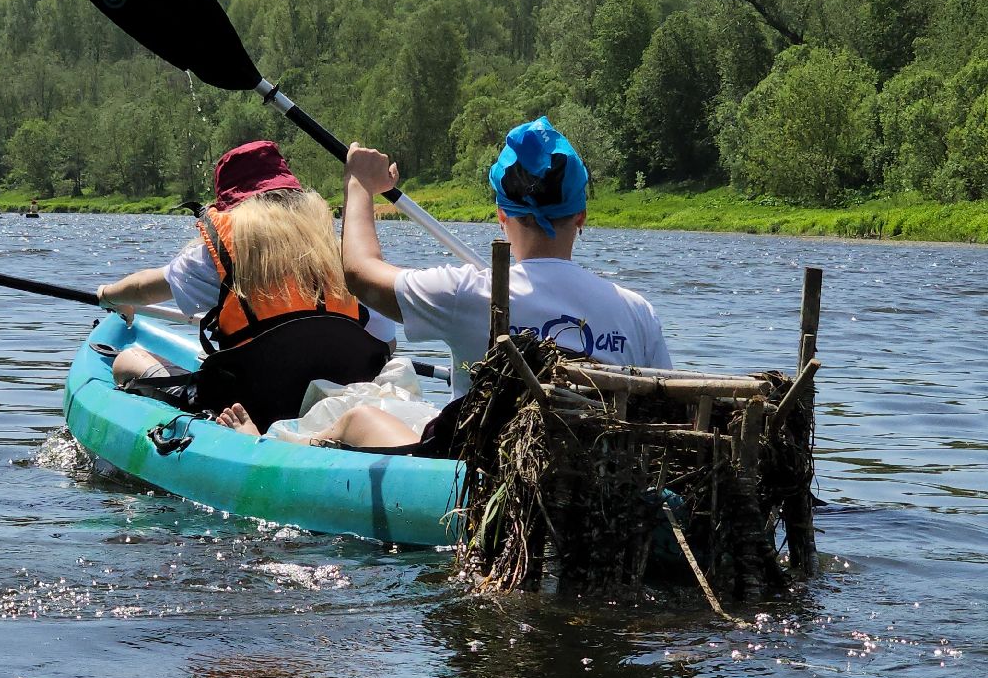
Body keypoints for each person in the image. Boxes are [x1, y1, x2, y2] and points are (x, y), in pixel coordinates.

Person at [215, 117, 671, 453]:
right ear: (582, 217)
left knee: (356, 418)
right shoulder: (637, 311)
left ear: (501, 215)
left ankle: (264, 446)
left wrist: (359, 185)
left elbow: (359, 273)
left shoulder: (468, 292)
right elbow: (666, 416)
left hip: (482, 467)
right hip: (598, 469)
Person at [95, 140, 399, 430]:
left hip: (245, 409)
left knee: (127, 360)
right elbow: (385, 342)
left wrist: (109, 294)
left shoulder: (223, 253)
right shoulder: (347, 256)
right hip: (338, 402)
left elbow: (145, 289)